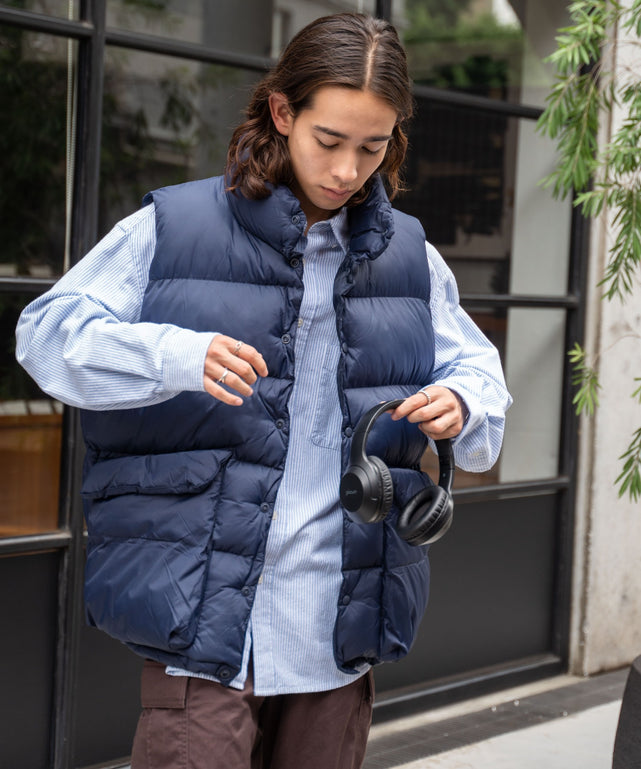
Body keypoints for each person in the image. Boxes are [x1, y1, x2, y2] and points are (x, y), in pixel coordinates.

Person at [15, 12, 511, 769]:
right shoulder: (175, 226)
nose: (347, 169)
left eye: (372, 147)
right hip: (205, 614)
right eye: (329, 140)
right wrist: (174, 354)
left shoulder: (410, 256)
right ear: (283, 112)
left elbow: (478, 372)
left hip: (340, 619)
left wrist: (464, 401)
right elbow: (47, 334)